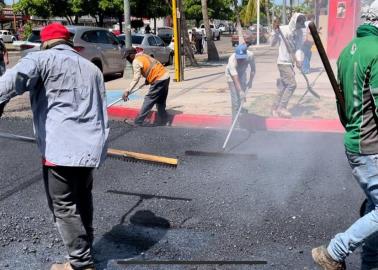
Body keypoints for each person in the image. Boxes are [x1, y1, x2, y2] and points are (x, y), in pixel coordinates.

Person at [0, 23, 109, 270]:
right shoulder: (92, 68)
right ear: (68, 42)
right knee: (83, 199)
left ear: (46, 42)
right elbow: (102, 112)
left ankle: (80, 264)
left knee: (64, 205)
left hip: (61, 149)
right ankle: (86, 251)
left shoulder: (42, 59)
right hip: (89, 149)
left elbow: (11, 82)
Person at [312, 1, 378, 269]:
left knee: (373, 206)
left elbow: (343, 109)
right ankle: (334, 251)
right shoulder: (376, 51)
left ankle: (371, 261)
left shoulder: (348, 52)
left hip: (356, 142)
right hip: (371, 146)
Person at [270, 13, 306, 118]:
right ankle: (282, 107)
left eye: (301, 25)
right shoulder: (282, 29)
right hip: (282, 62)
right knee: (292, 84)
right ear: (295, 22)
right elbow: (272, 43)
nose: (300, 27)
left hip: (290, 63)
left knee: (282, 87)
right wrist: (275, 32)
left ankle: (274, 109)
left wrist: (299, 60)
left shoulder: (299, 33)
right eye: (299, 24)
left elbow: (299, 48)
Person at [123, 48, 170, 126]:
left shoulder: (135, 61)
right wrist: (148, 79)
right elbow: (151, 66)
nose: (127, 59)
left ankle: (138, 121)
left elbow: (136, 78)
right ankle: (164, 120)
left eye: (128, 57)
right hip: (165, 76)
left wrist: (127, 91)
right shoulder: (143, 56)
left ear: (132, 55)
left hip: (158, 79)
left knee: (149, 99)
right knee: (160, 101)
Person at [225, 43, 255, 121]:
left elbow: (253, 69)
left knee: (241, 99)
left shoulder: (250, 55)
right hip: (231, 77)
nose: (240, 60)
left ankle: (241, 112)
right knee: (235, 99)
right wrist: (241, 91)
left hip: (242, 74)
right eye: (239, 58)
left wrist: (250, 81)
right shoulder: (232, 60)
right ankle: (235, 123)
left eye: (242, 58)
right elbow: (235, 78)